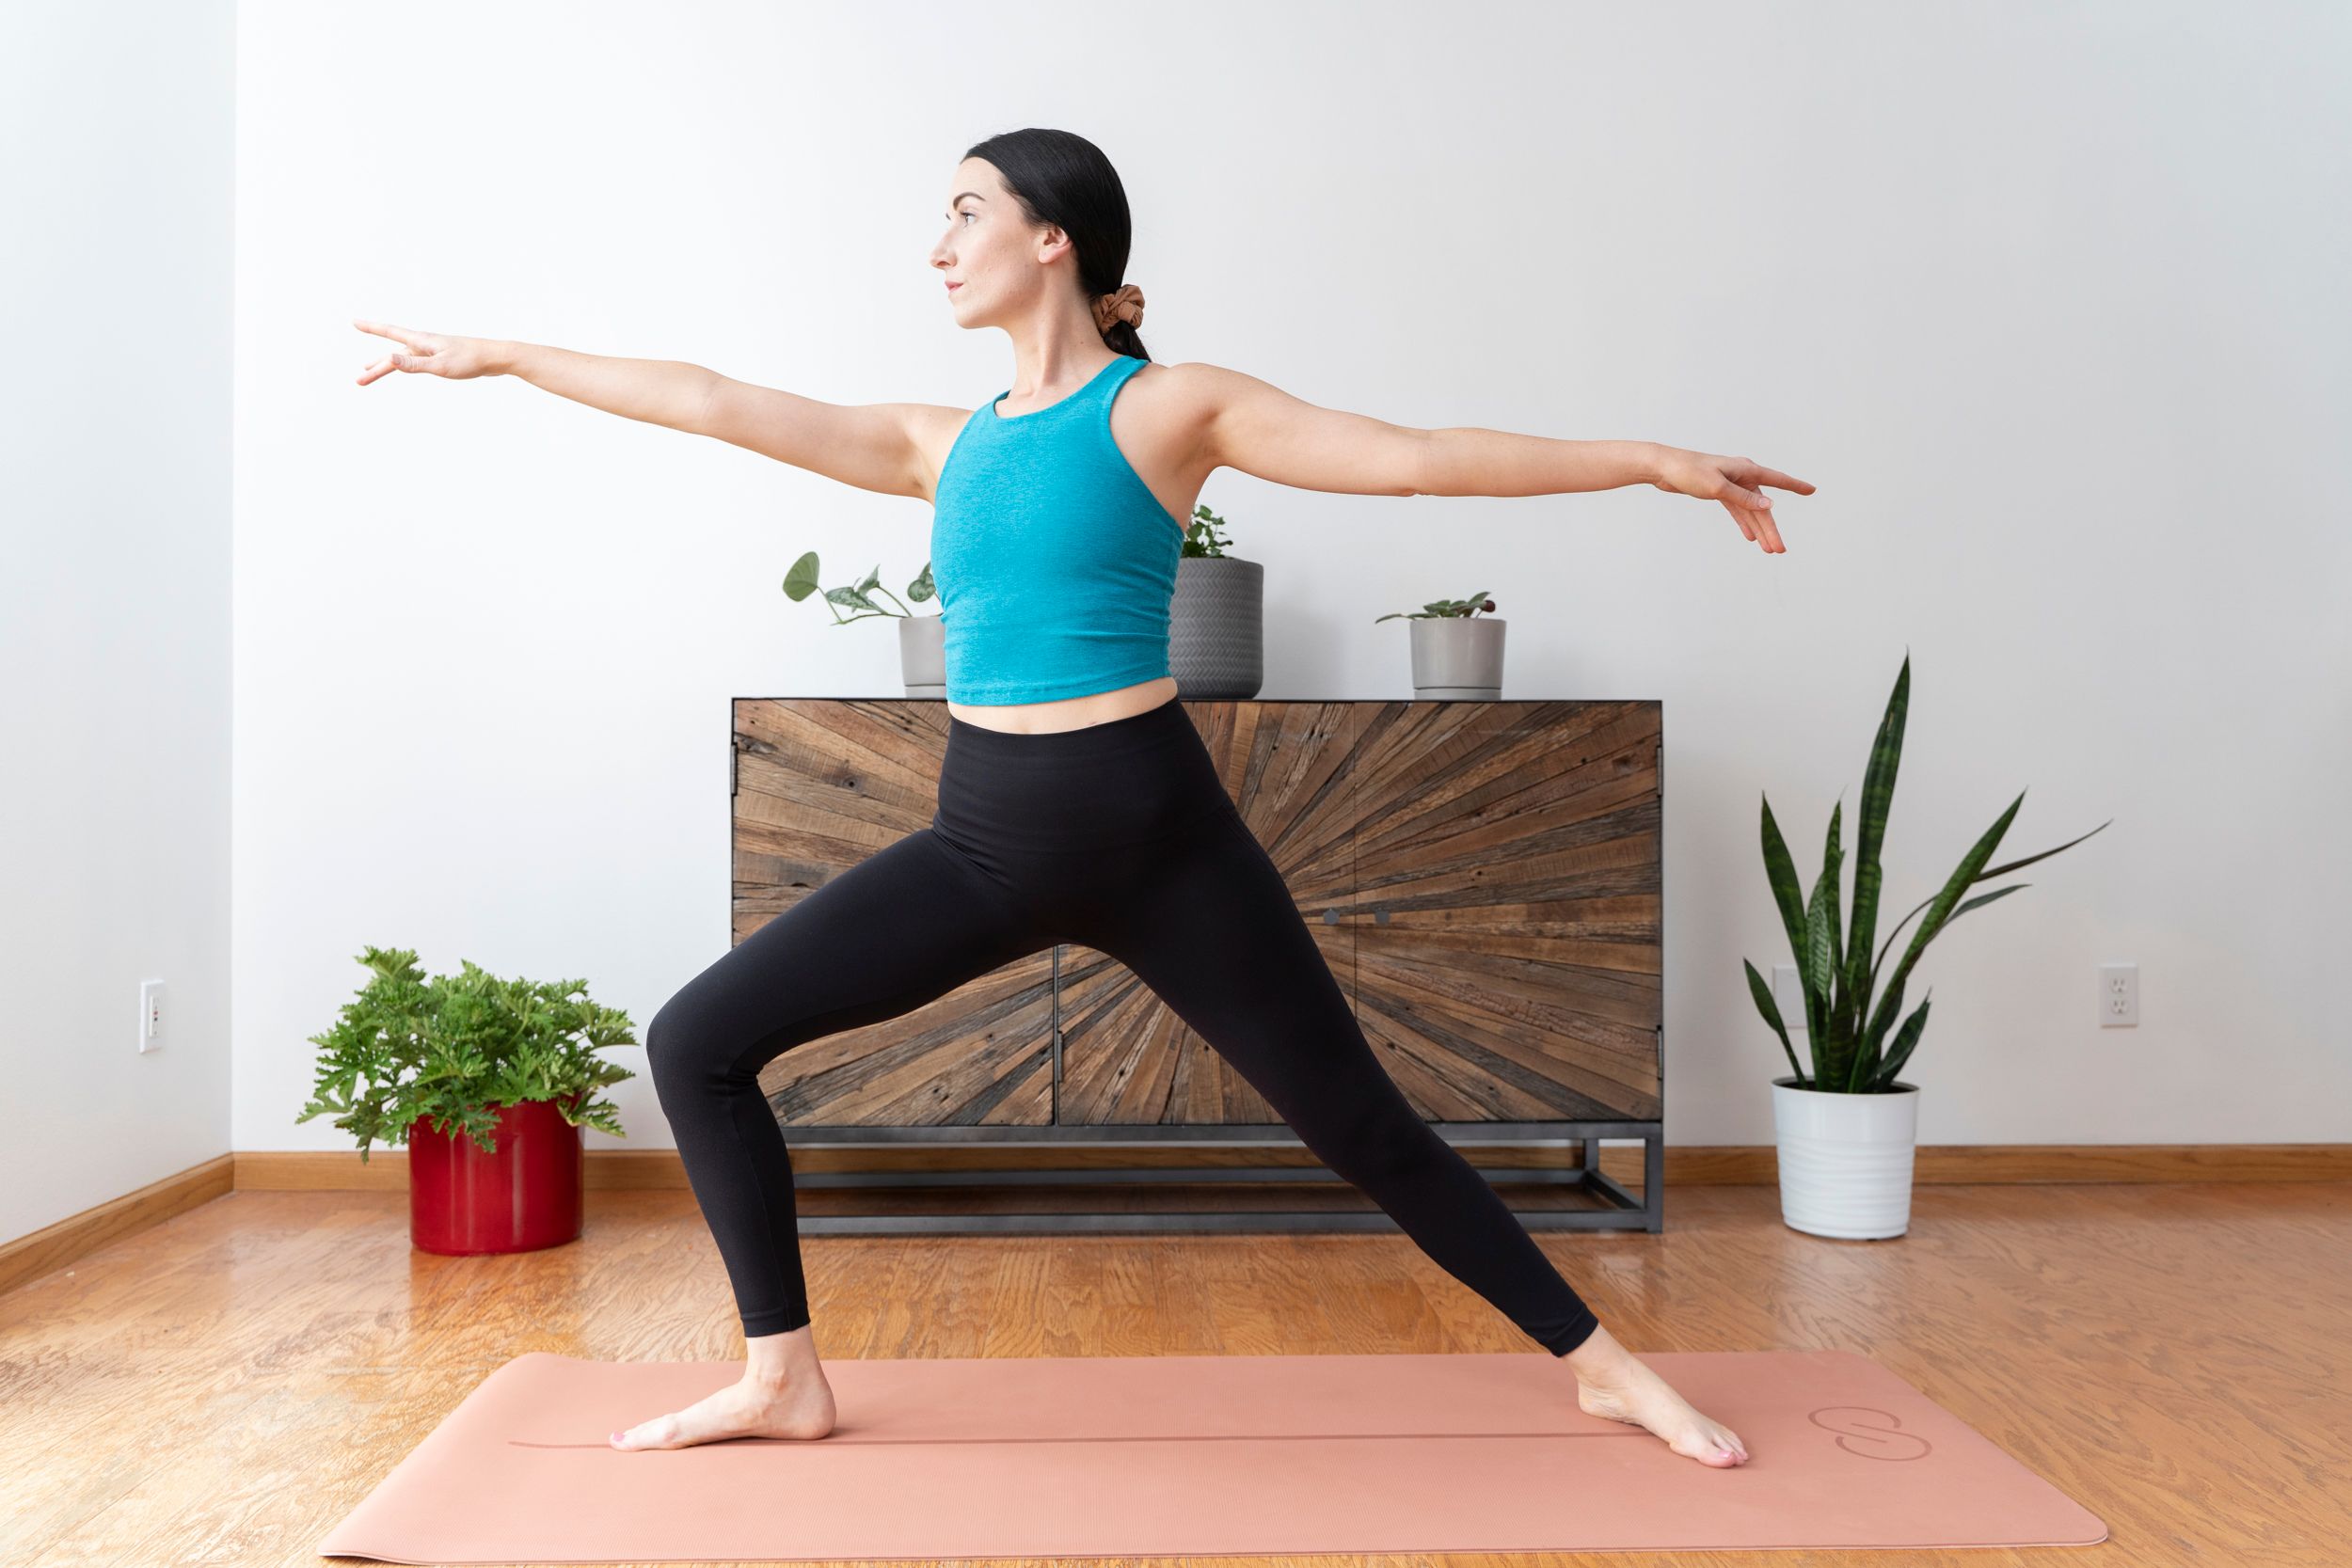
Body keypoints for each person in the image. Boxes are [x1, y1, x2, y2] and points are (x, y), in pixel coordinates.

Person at [355, 126, 1810, 1470]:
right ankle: (782, 1375)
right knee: (698, 1041)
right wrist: (495, 355)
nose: (937, 243)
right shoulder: (944, 441)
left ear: (1056, 240)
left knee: (1363, 1127)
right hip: (984, 838)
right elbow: (715, 401)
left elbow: (1419, 462)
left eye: (965, 210)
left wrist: (1657, 464)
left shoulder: (1167, 406)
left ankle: (1603, 1362)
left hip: (1157, 836)